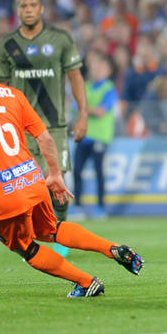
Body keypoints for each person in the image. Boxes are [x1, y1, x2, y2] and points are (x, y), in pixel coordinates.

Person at [0, 40, 143, 298]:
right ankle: (112, 248)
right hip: (32, 181)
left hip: (3, 195)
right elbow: (45, 139)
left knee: (25, 247)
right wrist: (54, 174)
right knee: (52, 229)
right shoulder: (12, 95)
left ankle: (86, 282)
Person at [0, 0, 87, 258]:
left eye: (33, 5)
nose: (28, 10)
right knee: (24, 189)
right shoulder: (7, 44)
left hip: (53, 125)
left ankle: (61, 234)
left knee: (58, 184)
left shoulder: (60, 39)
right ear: (18, 10)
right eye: (23, 6)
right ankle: (28, 238)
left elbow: (75, 77)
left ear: (42, 8)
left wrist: (83, 114)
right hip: (19, 128)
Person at [72, 52, 118, 219]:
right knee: (77, 171)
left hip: (100, 137)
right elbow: (74, 107)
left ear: (108, 71)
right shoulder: (85, 86)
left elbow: (101, 111)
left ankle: (100, 208)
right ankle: (78, 207)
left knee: (99, 173)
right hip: (83, 136)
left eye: (102, 67)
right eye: (96, 66)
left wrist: (84, 110)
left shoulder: (109, 88)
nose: (98, 70)